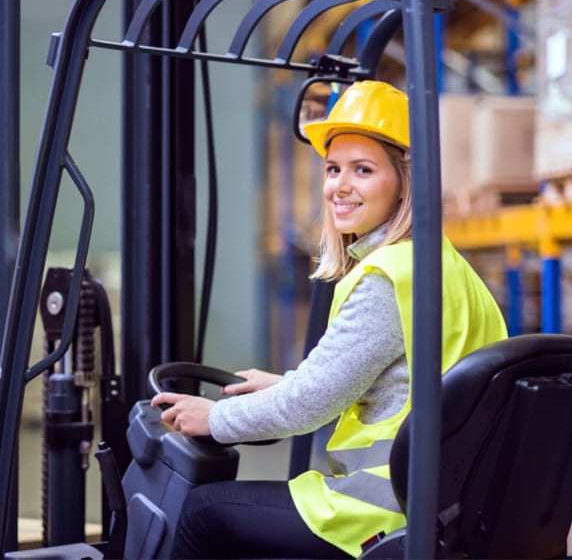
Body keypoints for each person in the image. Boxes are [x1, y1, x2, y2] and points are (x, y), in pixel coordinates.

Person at [151, 80, 508, 559]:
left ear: (407, 180)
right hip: (444, 504)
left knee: (202, 511)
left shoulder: (388, 277)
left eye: (363, 170)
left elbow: (307, 409)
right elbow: (390, 382)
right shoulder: (441, 264)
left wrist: (214, 416)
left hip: (387, 510)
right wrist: (287, 383)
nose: (340, 185)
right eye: (333, 168)